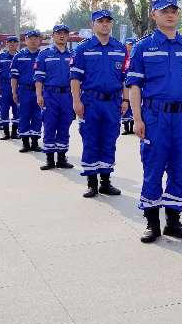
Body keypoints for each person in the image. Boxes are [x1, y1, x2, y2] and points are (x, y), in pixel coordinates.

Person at [125, 0, 182, 244]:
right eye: (164, 11)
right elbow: (134, 86)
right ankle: (152, 223)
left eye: (173, 11)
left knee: (180, 168)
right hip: (154, 117)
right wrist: (137, 118)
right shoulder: (143, 47)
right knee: (154, 167)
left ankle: (173, 221)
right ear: (154, 15)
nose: (170, 15)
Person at [70, 10, 127, 198]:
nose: (104, 24)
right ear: (93, 24)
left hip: (113, 102)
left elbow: (125, 78)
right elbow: (75, 78)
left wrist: (125, 99)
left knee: (109, 140)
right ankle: (91, 183)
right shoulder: (83, 49)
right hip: (91, 102)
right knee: (91, 140)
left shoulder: (120, 48)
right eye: (100, 21)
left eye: (108, 21)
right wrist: (76, 101)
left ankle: (105, 182)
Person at [34, 24, 75, 170]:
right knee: (49, 125)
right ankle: (50, 159)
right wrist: (39, 95)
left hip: (67, 96)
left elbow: (78, 79)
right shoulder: (44, 54)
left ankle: (62, 158)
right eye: (58, 33)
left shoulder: (73, 55)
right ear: (53, 35)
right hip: (50, 95)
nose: (62, 35)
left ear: (68, 36)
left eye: (64, 33)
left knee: (65, 125)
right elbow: (38, 77)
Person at [11, 31, 43, 152]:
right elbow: (14, 77)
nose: (33, 41)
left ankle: (35, 142)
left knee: (37, 116)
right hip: (24, 90)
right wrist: (14, 92)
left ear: (39, 40)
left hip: (39, 91)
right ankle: (25, 143)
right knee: (24, 115)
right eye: (30, 38)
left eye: (36, 38)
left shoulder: (43, 55)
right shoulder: (19, 56)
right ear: (25, 40)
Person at [0, 37, 21, 140]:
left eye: (14, 42)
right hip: (4, 86)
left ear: (17, 44)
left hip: (18, 86)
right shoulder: (1, 56)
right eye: (10, 42)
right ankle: (6, 132)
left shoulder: (21, 56)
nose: (12, 44)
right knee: (4, 109)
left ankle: (14, 132)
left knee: (17, 109)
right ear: (6, 44)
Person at [121, 38, 137, 135]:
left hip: (134, 86)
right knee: (125, 107)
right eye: (128, 45)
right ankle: (126, 128)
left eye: (131, 45)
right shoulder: (123, 57)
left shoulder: (136, 57)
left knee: (134, 107)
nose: (130, 47)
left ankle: (132, 128)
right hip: (125, 86)